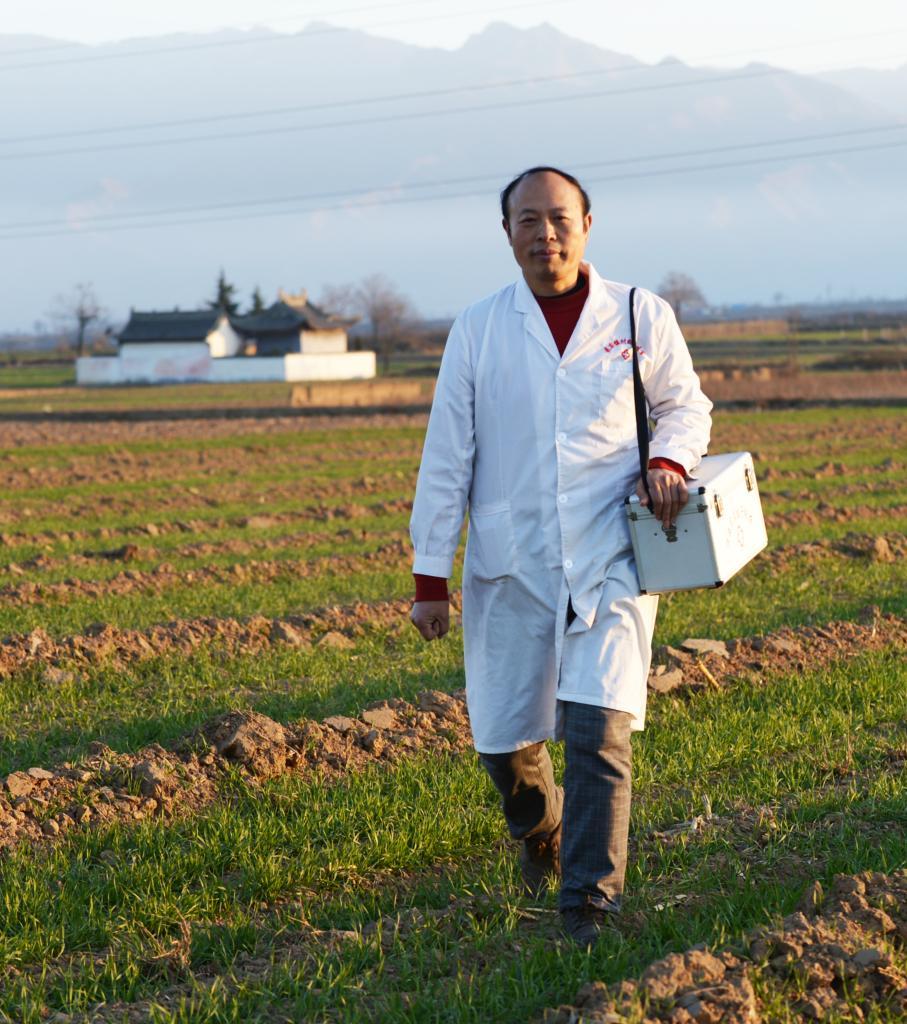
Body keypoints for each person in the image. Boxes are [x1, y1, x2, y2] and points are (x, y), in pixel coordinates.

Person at [408, 166, 712, 946]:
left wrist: (668, 461)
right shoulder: (479, 327)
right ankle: (538, 825)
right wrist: (430, 575)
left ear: (585, 224)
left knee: (598, 727)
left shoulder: (639, 313)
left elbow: (685, 406)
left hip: (611, 552)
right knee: (503, 740)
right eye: (528, 220)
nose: (545, 234)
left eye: (558, 218)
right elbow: (446, 455)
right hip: (511, 560)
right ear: (506, 232)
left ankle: (587, 907)